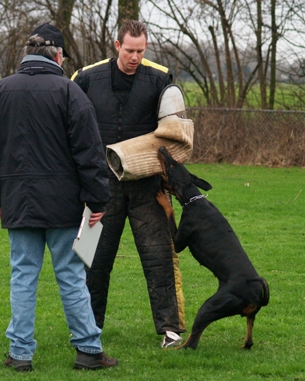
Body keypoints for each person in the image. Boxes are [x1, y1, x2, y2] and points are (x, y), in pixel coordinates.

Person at [0, 23, 118, 372]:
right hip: (64, 206)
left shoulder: (0, 91)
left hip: (18, 201)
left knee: (23, 275)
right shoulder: (70, 93)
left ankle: (20, 354)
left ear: (27, 53)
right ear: (58, 55)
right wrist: (97, 201)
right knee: (71, 276)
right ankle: (88, 350)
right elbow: (90, 153)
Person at [72, 20, 186, 348]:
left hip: (147, 185)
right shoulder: (86, 77)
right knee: (91, 258)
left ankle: (170, 329)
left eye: (141, 50)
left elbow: (174, 132)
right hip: (99, 187)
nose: (135, 57)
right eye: (130, 50)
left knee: (160, 256)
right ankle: (85, 330)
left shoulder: (161, 78)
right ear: (117, 45)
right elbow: (69, 126)